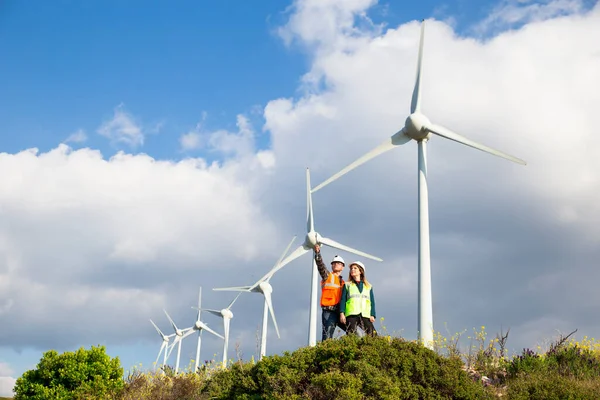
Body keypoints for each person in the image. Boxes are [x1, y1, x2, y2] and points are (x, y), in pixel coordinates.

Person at [314, 244, 347, 340]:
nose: (336, 264)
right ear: (331, 266)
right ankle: (325, 354)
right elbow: (320, 266)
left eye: (339, 263)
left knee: (353, 331)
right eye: (334, 263)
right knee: (327, 336)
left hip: (340, 313)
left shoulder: (344, 283)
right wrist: (317, 253)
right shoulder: (327, 276)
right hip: (329, 311)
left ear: (343, 267)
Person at [339, 261, 377, 336]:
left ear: (360, 271)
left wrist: (372, 314)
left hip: (365, 314)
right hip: (351, 314)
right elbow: (343, 300)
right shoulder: (347, 285)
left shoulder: (368, 286)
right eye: (351, 268)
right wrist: (342, 313)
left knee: (373, 335)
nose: (352, 270)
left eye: (355, 268)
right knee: (351, 336)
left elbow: (372, 301)